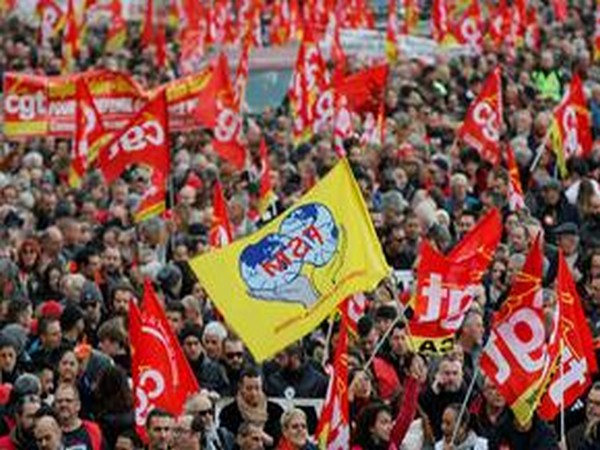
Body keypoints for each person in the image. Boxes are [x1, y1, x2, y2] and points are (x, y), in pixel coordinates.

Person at [219, 367, 283, 449]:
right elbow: (226, 441)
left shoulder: (275, 411)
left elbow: (280, 438)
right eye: (249, 388)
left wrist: (265, 438)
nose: (254, 393)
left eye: (257, 388)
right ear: (241, 387)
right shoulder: (228, 412)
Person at [53, 383, 104, 449]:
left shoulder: (93, 430)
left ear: (78, 405)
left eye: (68, 401)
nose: (63, 404)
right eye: (59, 401)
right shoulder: (49, 432)